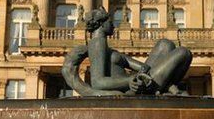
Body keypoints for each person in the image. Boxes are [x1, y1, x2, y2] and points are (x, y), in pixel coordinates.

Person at [62, 7, 192, 96]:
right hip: (134, 89)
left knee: (165, 44)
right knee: (183, 53)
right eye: (110, 22)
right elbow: (98, 82)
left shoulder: (106, 46)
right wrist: (130, 80)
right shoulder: (97, 44)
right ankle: (166, 88)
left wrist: (140, 74)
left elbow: (143, 67)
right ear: (101, 24)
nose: (114, 25)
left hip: (140, 81)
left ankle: (166, 87)